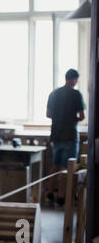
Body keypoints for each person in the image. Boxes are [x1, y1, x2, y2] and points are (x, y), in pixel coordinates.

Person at [46, 68, 86, 206]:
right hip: (70, 135)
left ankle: (50, 192)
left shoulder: (54, 93)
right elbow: (81, 116)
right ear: (74, 79)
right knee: (66, 167)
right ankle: (61, 196)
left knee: (55, 165)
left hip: (56, 134)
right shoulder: (76, 95)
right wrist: (71, 119)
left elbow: (48, 114)